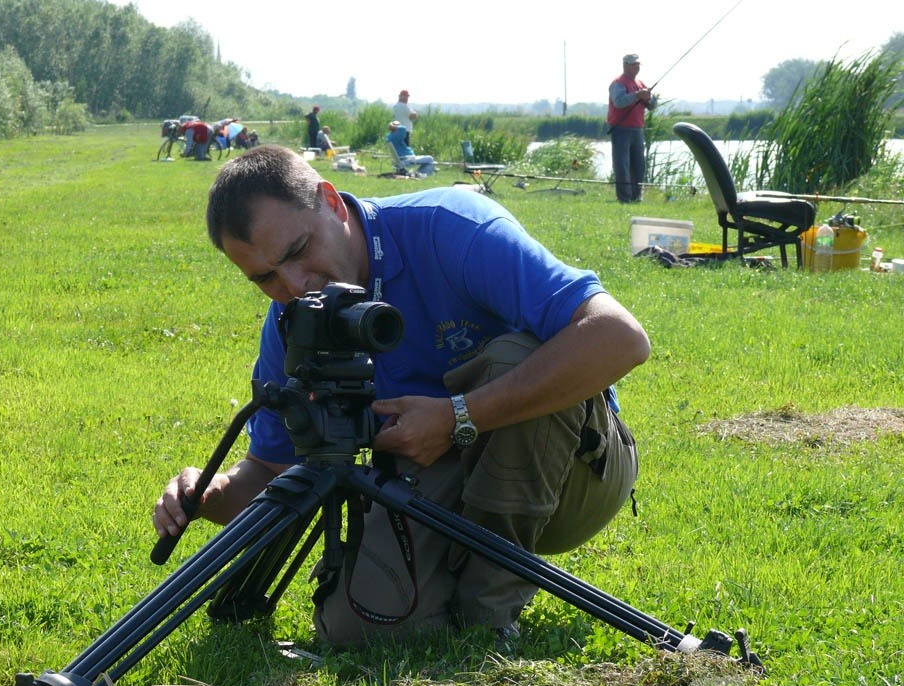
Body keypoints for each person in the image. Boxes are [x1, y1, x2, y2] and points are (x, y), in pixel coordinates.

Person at [153, 145, 650, 648]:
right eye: (264, 278)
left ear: (330, 201)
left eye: (298, 250)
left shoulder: (449, 228)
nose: (295, 285)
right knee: (359, 629)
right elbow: (271, 469)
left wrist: (460, 416)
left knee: (517, 357)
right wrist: (207, 493)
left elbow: (621, 338)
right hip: (438, 479)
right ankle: (451, 596)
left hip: (575, 476)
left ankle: (488, 619)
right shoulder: (293, 319)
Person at [607, 53, 657, 203]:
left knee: (638, 165)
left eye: (638, 64)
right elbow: (619, 102)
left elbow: (653, 106)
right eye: (634, 64)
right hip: (620, 129)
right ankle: (624, 198)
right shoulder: (618, 83)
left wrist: (649, 98)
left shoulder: (641, 84)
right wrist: (637, 95)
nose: (637, 67)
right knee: (622, 165)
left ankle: (637, 196)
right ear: (625, 65)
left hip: (637, 129)